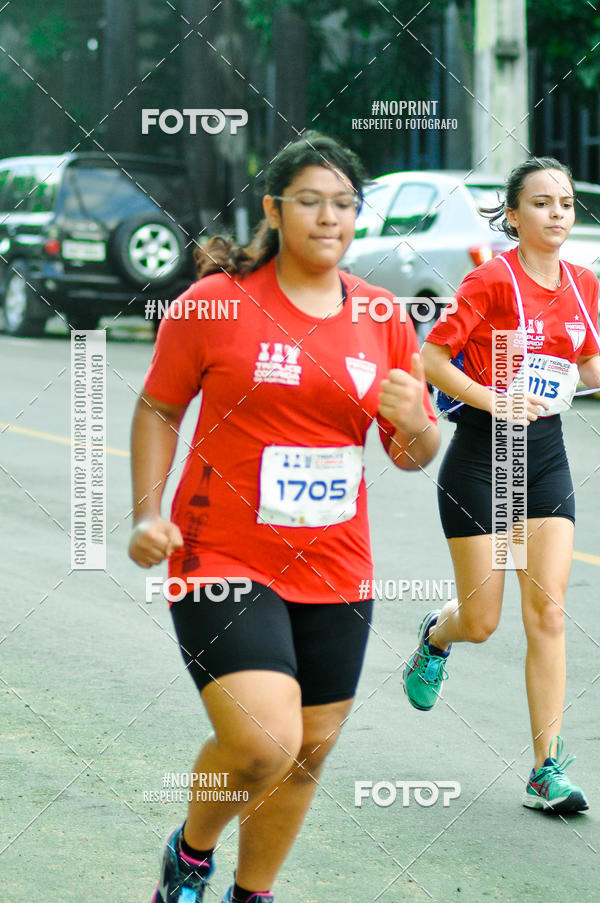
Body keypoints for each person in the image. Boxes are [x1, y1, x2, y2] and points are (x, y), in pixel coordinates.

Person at [128, 131, 440, 903]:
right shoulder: (215, 305)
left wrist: (419, 423)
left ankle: (252, 891)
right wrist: (145, 511)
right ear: (273, 207)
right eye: (310, 200)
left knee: (311, 748)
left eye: (344, 204)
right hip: (221, 555)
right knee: (266, 738)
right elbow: (158, 405)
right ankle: (191, 852)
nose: (329, 216)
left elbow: (410, 454)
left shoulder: (380, 316)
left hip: (337, 565)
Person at [403, 156, 600, 813]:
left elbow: (589, 362)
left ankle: (548, 768)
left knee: (547, 610)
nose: (556, 214)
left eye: (566, 203)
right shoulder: (492, 281)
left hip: (543, 459)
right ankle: (437, 634)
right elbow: (431, 356)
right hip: (483, 459)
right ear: (513, 215)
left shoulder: (583, 285)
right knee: (481, 620)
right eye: (541, 203)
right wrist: (492, 397)